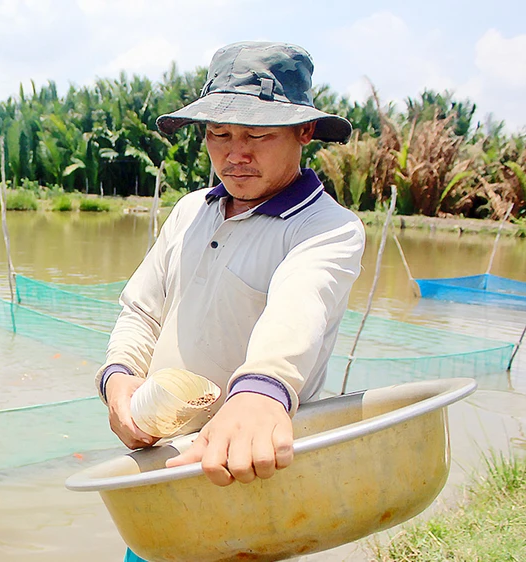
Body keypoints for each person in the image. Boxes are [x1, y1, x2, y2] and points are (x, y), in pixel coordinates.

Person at [97, 41, 366, 495]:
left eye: (257, 135)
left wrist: (262, 390)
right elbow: (142, 312)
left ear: (304, 131)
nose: (235, 154)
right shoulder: (189, 212)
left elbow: (299, 307)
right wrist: (119, 379)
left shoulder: (328, 228)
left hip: (251, 461)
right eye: (219, 134)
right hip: (159, 462)